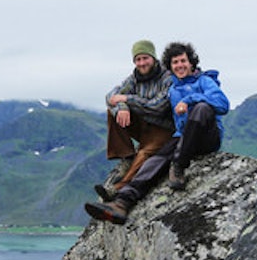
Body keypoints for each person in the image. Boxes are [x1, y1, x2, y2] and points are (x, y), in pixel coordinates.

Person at [85, 41, 228, 224]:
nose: (180, 65)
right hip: (183, 139)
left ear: (191, 62)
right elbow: (113, 96)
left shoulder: (204, 81)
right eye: (175, 63)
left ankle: (178, 165)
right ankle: (121, 203)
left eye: (183, 61)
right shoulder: (173, 88)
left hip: (207, 137)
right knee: (155, 160)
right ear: (170, 66)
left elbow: (222, 104)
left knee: (201, 108)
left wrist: (190, 99)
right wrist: (122, 105)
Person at [97, 39, 176, 198]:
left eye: (145, 58)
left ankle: (119, 187)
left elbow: (158, 107)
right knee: (113, 112)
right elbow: (111, 97)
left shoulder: (167, 77)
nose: (141, 63)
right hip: (144, 126)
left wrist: (127, 99)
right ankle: (127, 155)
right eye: (137, 59)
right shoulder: (134, 78)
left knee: (144, 153)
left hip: (163, 129)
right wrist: (122, 108)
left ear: (153, 58)